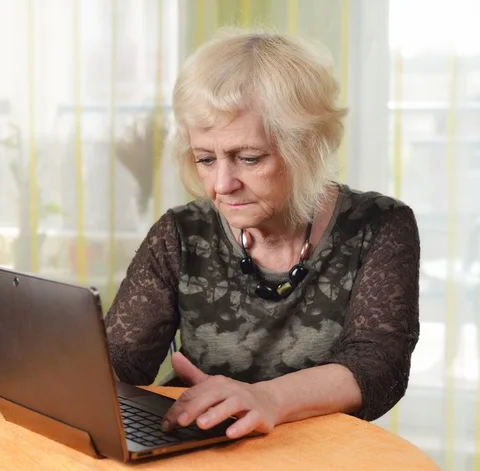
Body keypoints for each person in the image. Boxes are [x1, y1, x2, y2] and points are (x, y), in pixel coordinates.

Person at [104, 28, 420, 440]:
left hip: (317, 457)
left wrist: (266, 399)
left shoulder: (379, 226)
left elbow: (380, 367)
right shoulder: (180, 233)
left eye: (248, 158)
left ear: (304, 147)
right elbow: (121, 364)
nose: (221, 184)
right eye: (205, 158)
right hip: (194, 447)